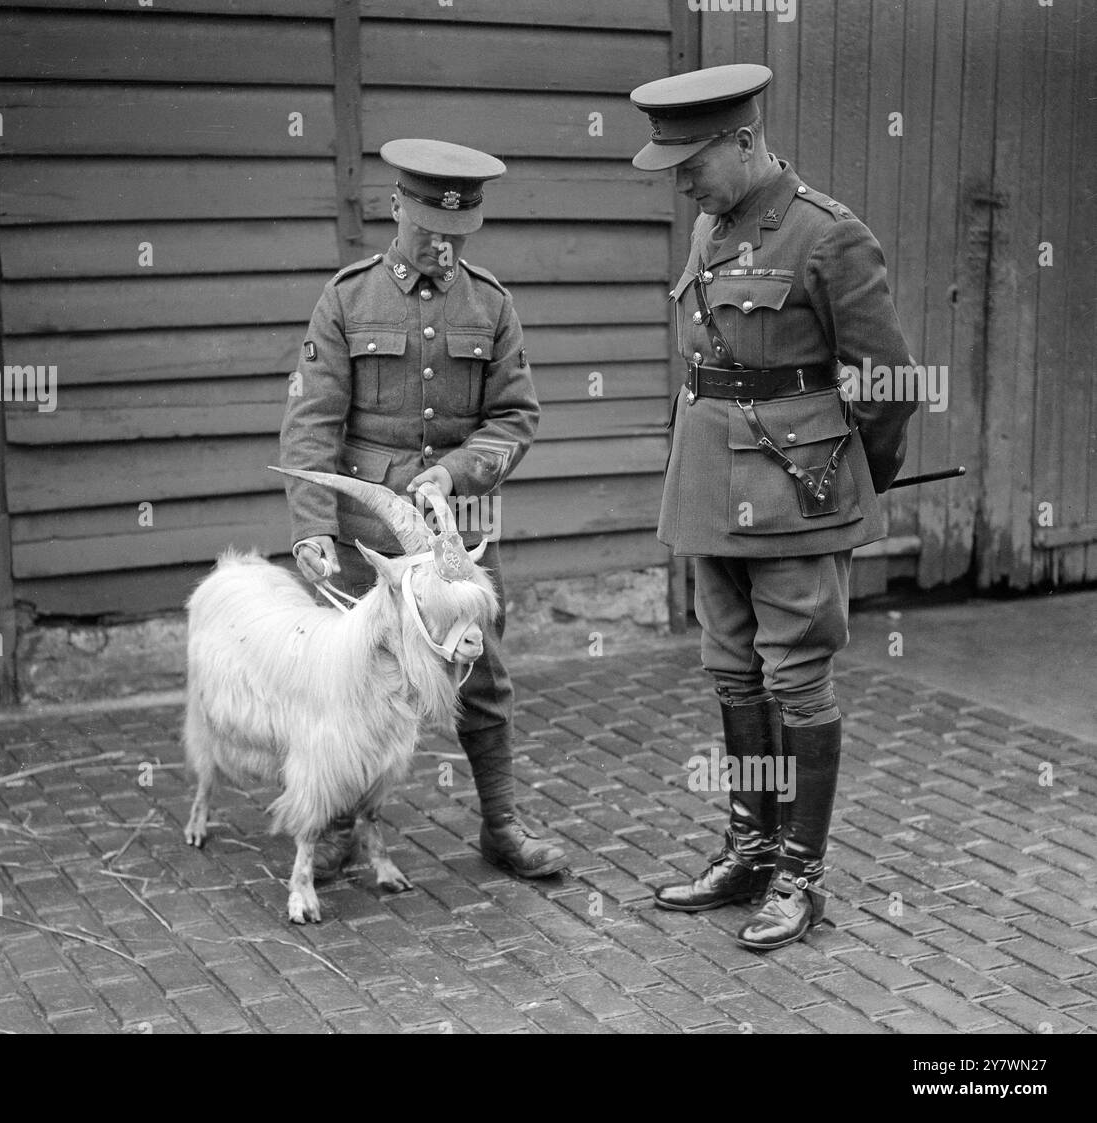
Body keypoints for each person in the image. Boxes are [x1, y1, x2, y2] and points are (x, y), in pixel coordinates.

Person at [628, 65, 918, 949]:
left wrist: (840, 482)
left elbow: (890, 382)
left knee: (797, 677)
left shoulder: (827, 237)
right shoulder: (711, 229)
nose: (680, 181)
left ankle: (802, 874)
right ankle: (750, 847)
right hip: (711, 492)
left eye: (692, 161)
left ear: (745, 141)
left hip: (797, 496)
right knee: (732, 672)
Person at [278, 137, 568, 882]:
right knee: (352, 684)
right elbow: (312, 424)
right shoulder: (346, 300)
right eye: (428, 228)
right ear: (397, 206)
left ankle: (500, 824)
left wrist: (454, 473)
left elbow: (515, 418)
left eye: (458, 232)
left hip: (457, 537)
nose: (442, 244)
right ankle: (340, 826)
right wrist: (312, 526)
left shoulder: (493, 306)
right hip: (368, 539)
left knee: (483, 672)